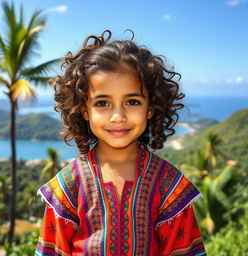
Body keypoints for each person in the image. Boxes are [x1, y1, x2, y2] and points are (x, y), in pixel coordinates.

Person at [35, 30, 206, 256]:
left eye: (132, 101)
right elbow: (51, 251)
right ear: (85, 110)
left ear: (151, 107)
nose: (118, 116)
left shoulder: (169, 185)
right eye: (103, 103)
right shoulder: (68, 186)